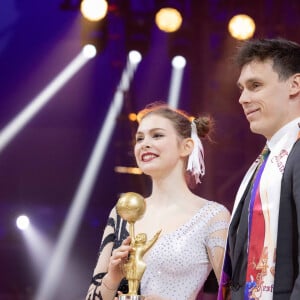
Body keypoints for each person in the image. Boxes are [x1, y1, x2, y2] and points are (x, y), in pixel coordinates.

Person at [86, 102, 230, 300]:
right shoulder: (122, 213)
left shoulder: (212, 216)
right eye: (139, 138)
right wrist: (112, 277)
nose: (144, 143)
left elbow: (232, 293)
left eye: (157, 135)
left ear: (186, 146)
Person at [218, 38, 300, 300]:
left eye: (255, 86)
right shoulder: (266, 160)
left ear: (294, 85)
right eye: (241, 89)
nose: (243, 98)